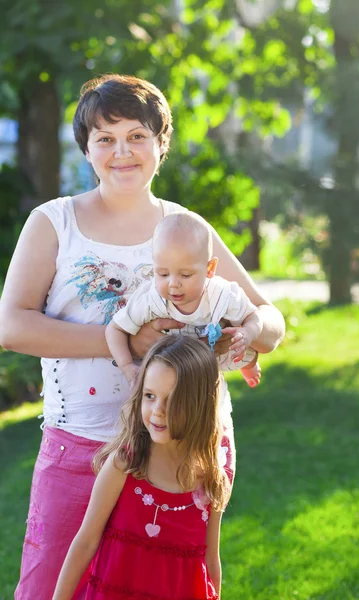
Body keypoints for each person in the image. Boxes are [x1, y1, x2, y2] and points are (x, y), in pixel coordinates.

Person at [0, 73, 285, 600]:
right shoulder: (54, 222)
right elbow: (11, 327)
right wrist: (127, 344)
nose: (122, 151)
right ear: (86, 148)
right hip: (81, 443)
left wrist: (249, 334)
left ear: (161, 144)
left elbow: (270, 319)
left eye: (136, 135)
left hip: (184, 452)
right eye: (105, 138)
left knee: (167, 587)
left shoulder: (185, 227)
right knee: (48, 587)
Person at [52, 335, 230, 600]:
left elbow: (211, 561)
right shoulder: (125, 465)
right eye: (150, 395)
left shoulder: (211, 478)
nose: (158, 411)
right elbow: (85, 542)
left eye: (173, 400)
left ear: (200, 404)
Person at [106, 210, 262, 388]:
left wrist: (248, 333)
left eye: (186, 275)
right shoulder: (151, 300)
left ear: (209, 268)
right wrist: (127, 367)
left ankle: (249, 366)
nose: (173, 284)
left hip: (217, 351)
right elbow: (115, 329)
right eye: (163, 273)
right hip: (175, 361)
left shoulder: (223, 294)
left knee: (245, 351)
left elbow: (253, 316)